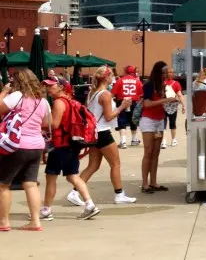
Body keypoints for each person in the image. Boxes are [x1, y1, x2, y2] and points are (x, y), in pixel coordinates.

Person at [67, 66, 137, 205]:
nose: (114, 78)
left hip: (94, 134)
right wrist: (122, 106)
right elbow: (109, 116)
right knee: (115, 164)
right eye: (112, 75)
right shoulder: (105, 94)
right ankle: (119, 194)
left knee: (93, 165)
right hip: (103, 133)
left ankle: (74, 192)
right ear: (106, 77)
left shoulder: (93, 93)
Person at [41, 78, 100, 220]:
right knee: (72, 176)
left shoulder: (59, 102)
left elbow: (54, 124)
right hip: (72, 144)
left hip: (60, 145)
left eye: (51, 86)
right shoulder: (70, 101)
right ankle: (90, 204)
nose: (48, 89)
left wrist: (41, 121)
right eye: (47, 86)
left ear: (61, 87)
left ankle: (46, 210)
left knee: (51, 178)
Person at [0, 69, 51, 231]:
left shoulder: (16, 96)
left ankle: (3, 222)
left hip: (17, 145)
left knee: (3, 184)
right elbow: (46, 122)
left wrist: (4, 91)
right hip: (37, 146)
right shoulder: (42, 101)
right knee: (30, 183)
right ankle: (35, 221)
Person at [140, 61, 178, 193]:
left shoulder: (164, 86)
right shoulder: (149, 85)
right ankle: (145, 183)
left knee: (156, 153)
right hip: (148, 120)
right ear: (157, 72)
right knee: (148, 152)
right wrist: (166, 100)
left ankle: (153, 182)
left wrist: (173, 102)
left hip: (159, 120)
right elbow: (147, 104)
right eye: (163, 73)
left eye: (166, 73)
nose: (165, 75)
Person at [112, 65, 144, 149]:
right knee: (133, 120)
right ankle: (133, 140)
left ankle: (123, 142)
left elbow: (113, 93)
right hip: (133, 101)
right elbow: (141, 94)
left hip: (122, 101)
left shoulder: (120, 80)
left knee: (122, 121)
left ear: (125, 71)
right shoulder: (137, 81)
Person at [162, 67, 185, 149]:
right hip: (171, 106)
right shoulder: (176, 83)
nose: (170, 73)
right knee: (171, 123)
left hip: (163, 105)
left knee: (164, 124)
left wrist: (183, 105)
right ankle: (173, 140)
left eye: (171, 72)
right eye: (169, 72)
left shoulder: (161, 83)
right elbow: (179, 95)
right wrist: (183, 105)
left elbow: (180, 95)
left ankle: (164, 141)